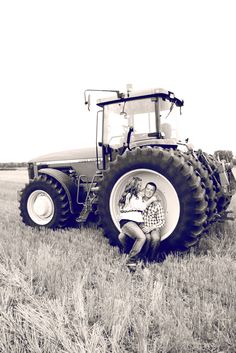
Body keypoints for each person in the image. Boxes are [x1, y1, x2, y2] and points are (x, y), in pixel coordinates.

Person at [118, 177, 157, 269]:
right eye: (139, 185)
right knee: (141, 237)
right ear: (134, 186)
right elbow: (141, 207)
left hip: (138, 221)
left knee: (148, 237)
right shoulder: (129, 196)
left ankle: (142, 258)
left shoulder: (138, 196)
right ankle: (131, 260)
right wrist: (151, 200)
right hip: (128, 221)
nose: (141, 187)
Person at [140, 182, 165, 261]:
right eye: (147, 189)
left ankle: (151, 259)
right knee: (147, 238)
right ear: (144, 189)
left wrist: (151, 228)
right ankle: (142, 257)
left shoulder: (157, 205)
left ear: (154, 192)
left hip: (153, 227)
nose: (149, 191)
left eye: (151, 190)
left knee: (156, 238)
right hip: (142, 226)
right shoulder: (139, 201)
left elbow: (162, 221)